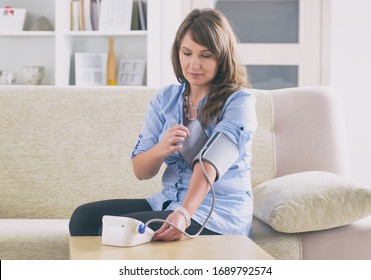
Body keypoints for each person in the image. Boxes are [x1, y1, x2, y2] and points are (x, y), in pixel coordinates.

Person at [69, 8, 257, 241]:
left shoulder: (240, 102)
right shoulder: (166, 99)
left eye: (206, 55)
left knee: (110, 233)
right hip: (169, 201)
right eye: (187, 53)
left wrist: (184, 213)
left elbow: (210, 163)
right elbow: (140, 171)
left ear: (222, 57)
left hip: (218, 214)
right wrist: (161, 148)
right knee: (83, 219)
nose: (194, 64)